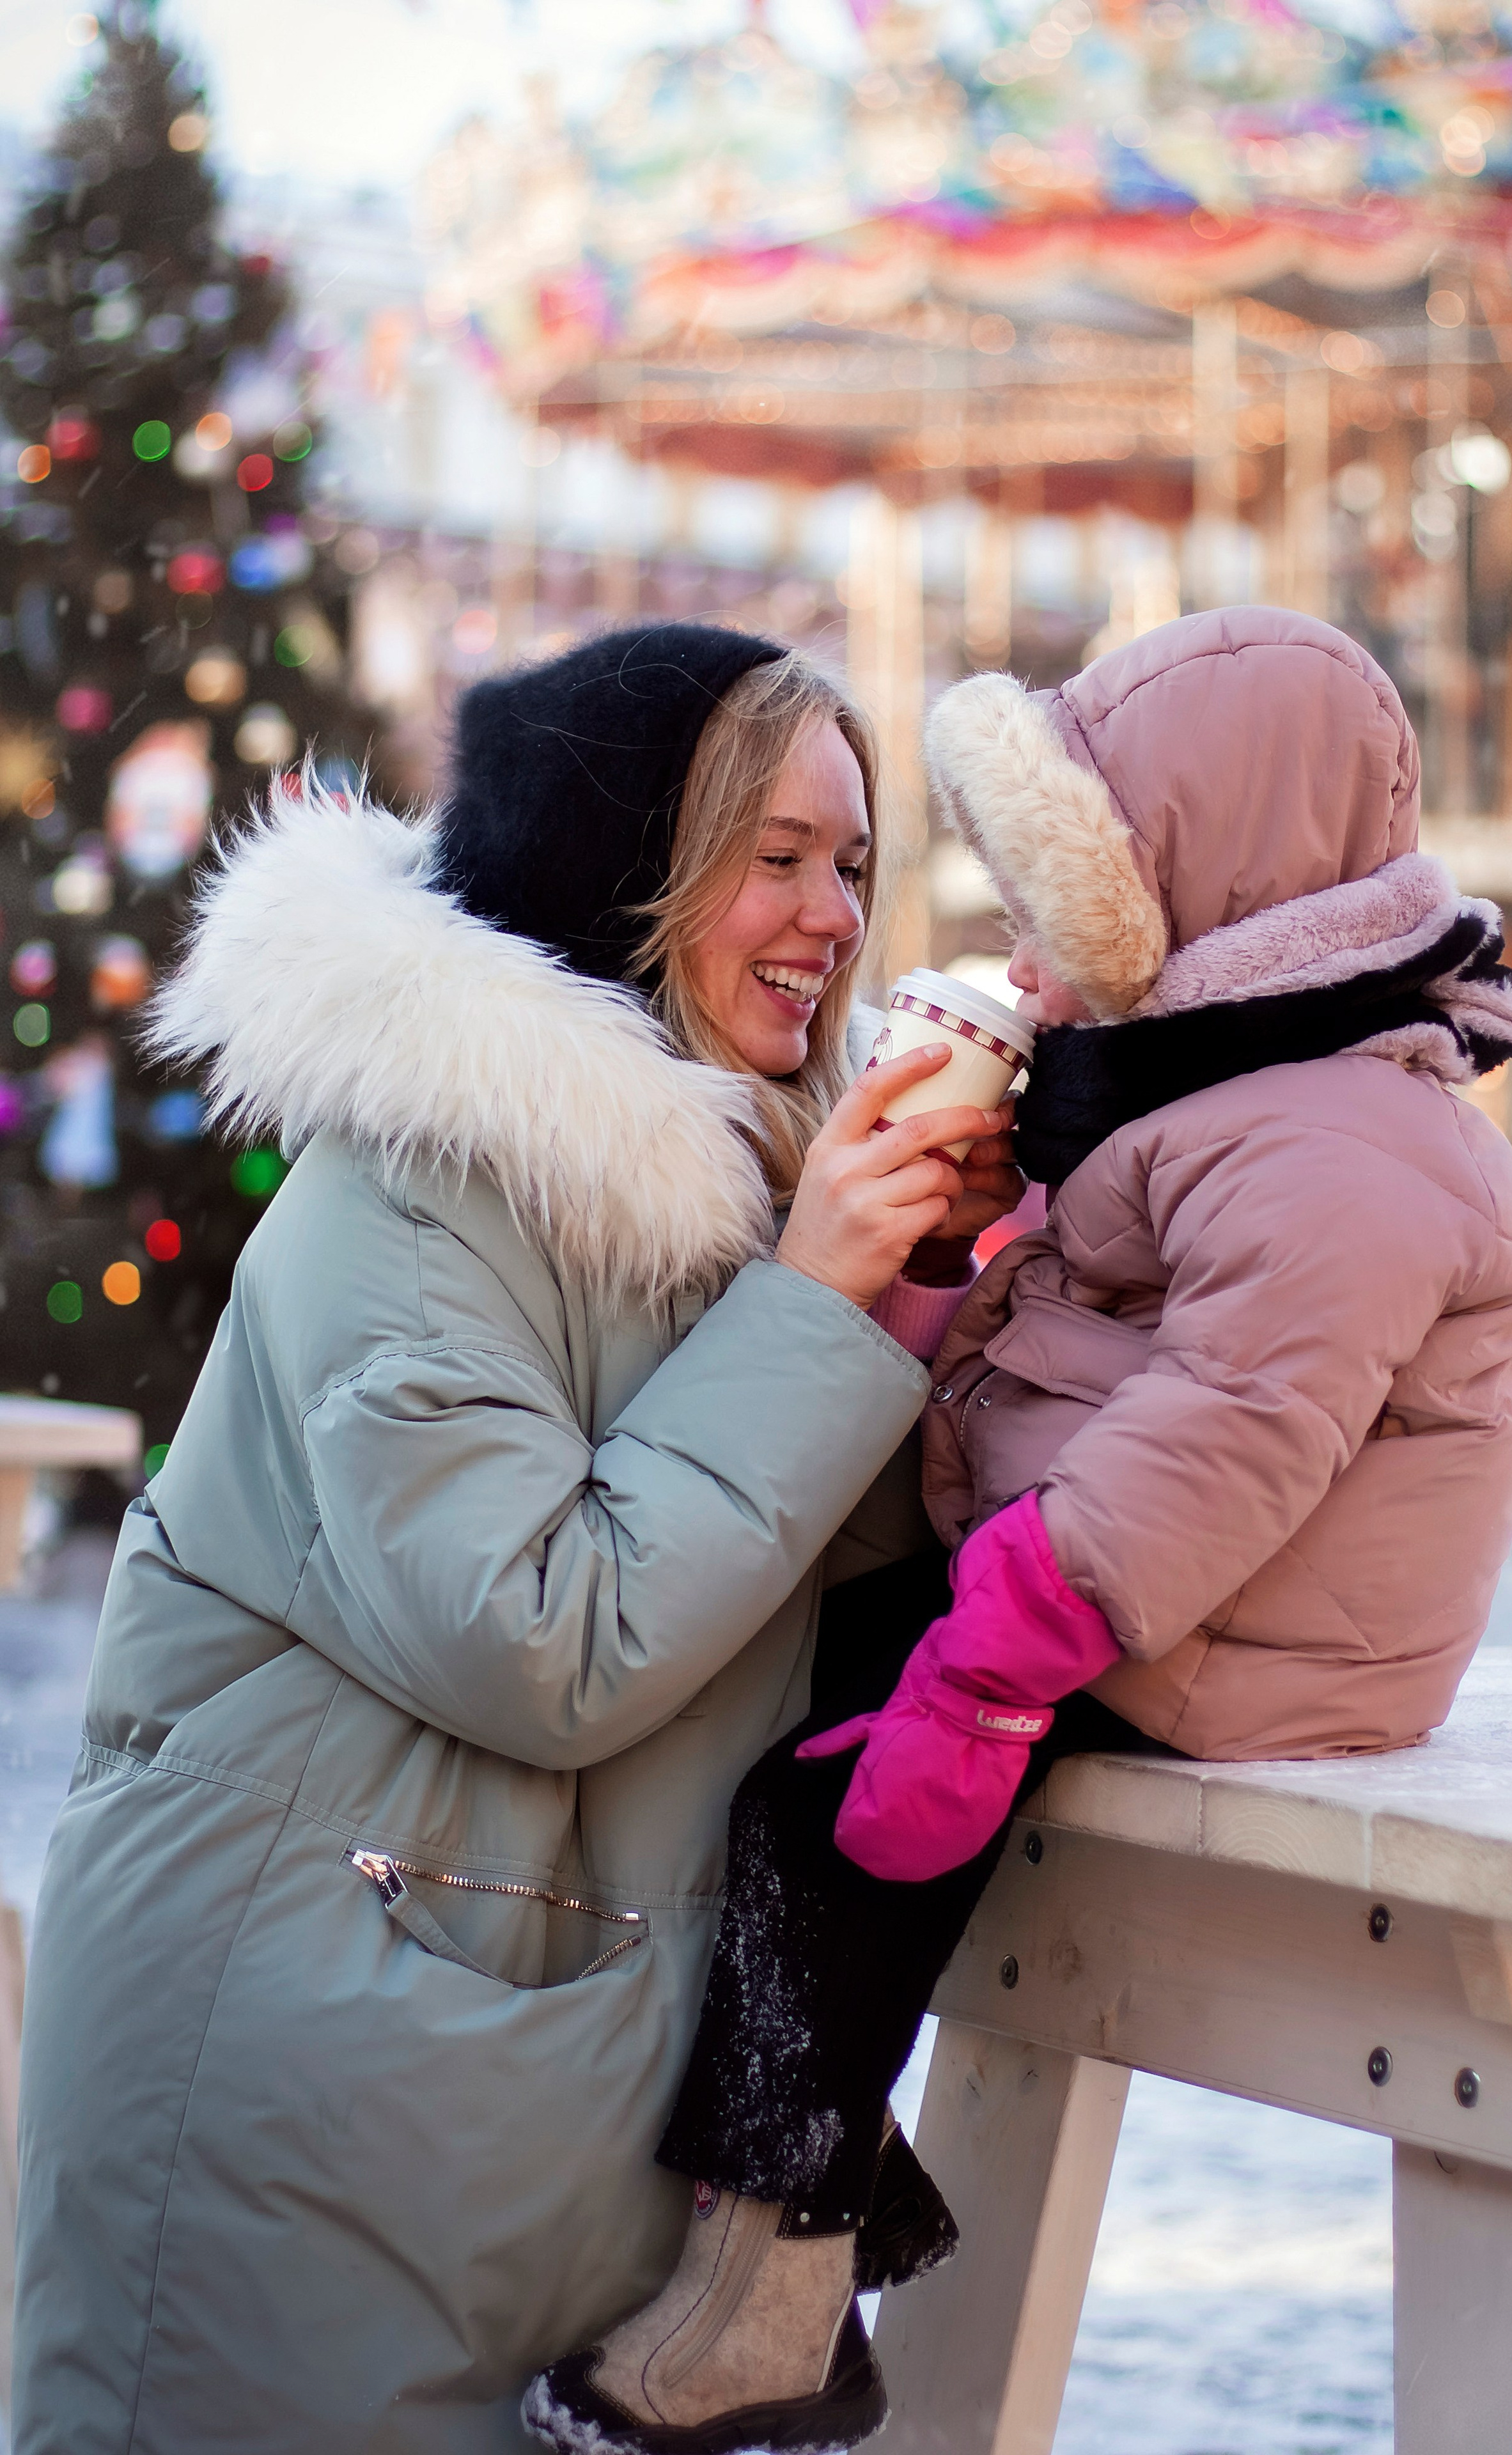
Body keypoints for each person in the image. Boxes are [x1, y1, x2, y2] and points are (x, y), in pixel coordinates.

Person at [527, 607, 1512, 2455]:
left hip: (1235, 1627)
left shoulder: (1341, 1142)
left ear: (1198, 873)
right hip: (1111, 1583)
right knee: (775, 1745)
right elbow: (1098, 1352)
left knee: (830, 1814)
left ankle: (776, 2289)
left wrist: (988, 1666)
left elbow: (1233, 1435)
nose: (1021, 946)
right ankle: (791, 2218)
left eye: (1067, 889)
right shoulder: (1220, 1089)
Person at [8, 623, 1022, 2455]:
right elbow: (541, 1639)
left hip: (534, 2095)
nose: (831, 916)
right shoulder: (411, 1188)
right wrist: (820, 1295)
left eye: (853, 864)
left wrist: (924, 1290)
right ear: (622, 867)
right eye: (772, 857)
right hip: (319, 2094)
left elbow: (814, 1593)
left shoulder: (739, 1183)